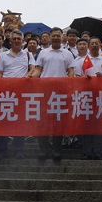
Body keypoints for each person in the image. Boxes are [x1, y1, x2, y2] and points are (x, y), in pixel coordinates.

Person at [31, 27, 74, 161]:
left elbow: (71, 71)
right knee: (42, 122)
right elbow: (38, 70)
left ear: (62, 37)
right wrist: (31, 79)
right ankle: (44, 150)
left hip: (60, 93)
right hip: (44, 92)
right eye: (53, 35)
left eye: (58, 35)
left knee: (58, 122)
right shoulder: (43, 53)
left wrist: (70, 85)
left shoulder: (67, 53)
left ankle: (56, 150)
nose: (55, 37)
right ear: (50, 37)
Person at [0, 30, 35, 158]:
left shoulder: (27, 54)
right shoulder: (3, 55)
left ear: (23, 41)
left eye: (19, 39)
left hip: (22, 93)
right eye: (14, 39)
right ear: (10, 41)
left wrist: (27, 77)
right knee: (3, 121)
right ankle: (2, 150)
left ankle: (19, 150)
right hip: (6, 94)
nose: (17, 41)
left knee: (20, 122)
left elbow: (33, 68)